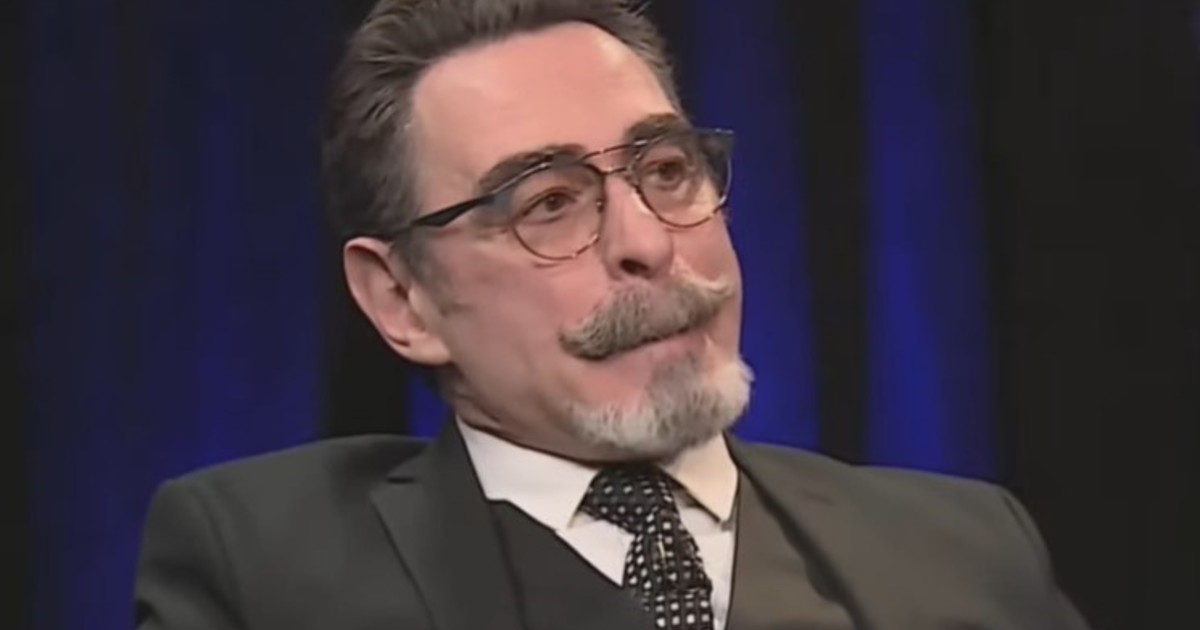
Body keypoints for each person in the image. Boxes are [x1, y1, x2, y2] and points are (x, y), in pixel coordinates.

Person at [134, 1, 1092, 629]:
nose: (647, 241)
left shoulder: (966, 548)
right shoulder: (264, 566)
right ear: (403, 299)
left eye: (666, 171)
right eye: (549, 202)